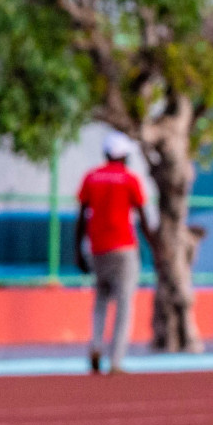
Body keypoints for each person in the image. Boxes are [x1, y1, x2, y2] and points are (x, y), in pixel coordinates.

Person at [77, 132, 150, 375]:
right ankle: (116, 359)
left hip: (97, 247)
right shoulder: (130, 179)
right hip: (123, 247)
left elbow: (82, 215)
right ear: (125, 156)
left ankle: (96, 345)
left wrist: (78, 248)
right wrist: (153, 242)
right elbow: (142, 214)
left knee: (100, 300)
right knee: (124, 305)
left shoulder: (91, 177)